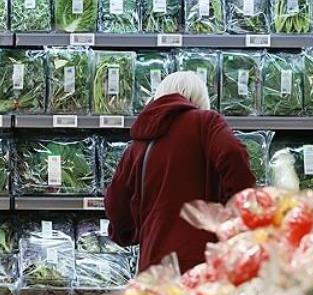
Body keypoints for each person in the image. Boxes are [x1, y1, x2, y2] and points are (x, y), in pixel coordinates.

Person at [104, 71, 255, 274]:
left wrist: (129, 233)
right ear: (200, 98)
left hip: (153, 265)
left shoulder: (138, 145)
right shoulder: (205, 123)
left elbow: (116, 203)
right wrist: (236, 213)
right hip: (201, 261)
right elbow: (233, 153)